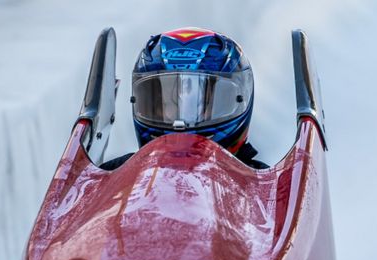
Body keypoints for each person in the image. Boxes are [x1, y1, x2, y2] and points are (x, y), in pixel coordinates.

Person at [102, 27, 268, 171]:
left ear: (239, 99)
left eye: (200, 104)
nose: (180, 122)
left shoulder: (266, 186)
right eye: (166, 104)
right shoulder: (113, 178)